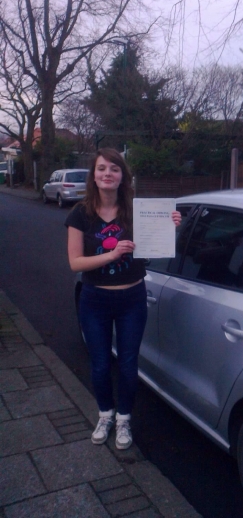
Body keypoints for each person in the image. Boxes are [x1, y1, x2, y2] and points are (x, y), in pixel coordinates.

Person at [65, 148, 181, 449]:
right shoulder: (80, 213)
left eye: (114, 169)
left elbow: (155, 249)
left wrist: (170, 226)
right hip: (95, 300)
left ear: (122, 176)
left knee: (129, 365)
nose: (107, 174)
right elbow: (75, 263)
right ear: (94, 175)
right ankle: (105, 414)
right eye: (102, 168)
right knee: (101, 364)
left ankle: (124, 419)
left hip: (132, 298)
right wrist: (112, 254)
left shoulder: (136, 210)